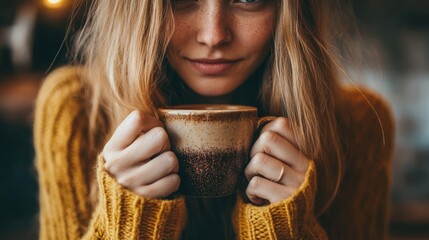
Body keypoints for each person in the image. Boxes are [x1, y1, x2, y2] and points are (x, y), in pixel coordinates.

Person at [34, 0, 395, 239]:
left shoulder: (359, 125)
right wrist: (129, 225)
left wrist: (287, 230)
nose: (213, 35)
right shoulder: (77, 110)